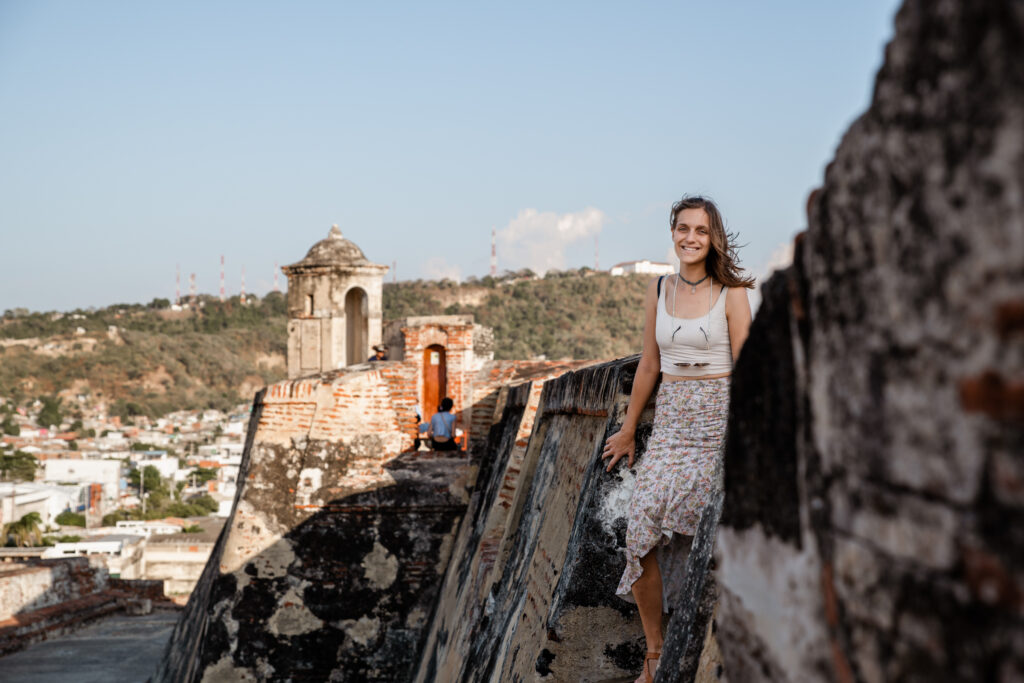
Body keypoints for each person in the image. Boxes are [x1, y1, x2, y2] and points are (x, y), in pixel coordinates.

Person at [602, 195, 753, 683]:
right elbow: (649, 363)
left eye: (701, 231)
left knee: (699, 522)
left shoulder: (731, 292)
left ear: (713, 238)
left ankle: (709, 642)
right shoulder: (659, 289)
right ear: (673, 233)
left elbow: (748, 369)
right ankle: (654, 649)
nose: (690, 238)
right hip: (671, 423)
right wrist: (628, 429)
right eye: (683, 228)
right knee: (641, 522)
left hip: (717, 421)